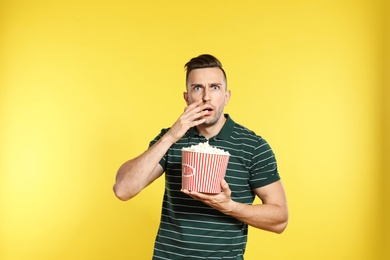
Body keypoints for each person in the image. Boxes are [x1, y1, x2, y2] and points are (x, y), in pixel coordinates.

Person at [113, 54, 288, 259]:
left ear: (226, 96)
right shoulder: (170, 139)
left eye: (215, 87)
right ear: (187, 98)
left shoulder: (253, 146)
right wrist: (172, 135)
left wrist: (229, 207)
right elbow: (123, 190)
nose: (206, 97)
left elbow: (280, 220)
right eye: (197, 88)